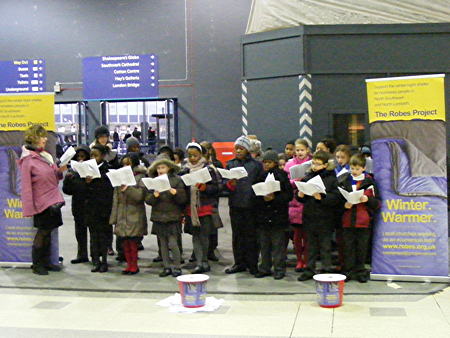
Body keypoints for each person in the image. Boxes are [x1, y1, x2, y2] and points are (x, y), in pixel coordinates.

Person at [19, 125, 67, 275]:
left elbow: (54, 177)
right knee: (42, 233)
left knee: (49, 232)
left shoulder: (46, 156)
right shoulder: (27, 160)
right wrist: (29, 208)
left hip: (53, 201)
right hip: (41, 203)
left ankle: (47, 262)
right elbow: (26, 187)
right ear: (34, 138)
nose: (45, 139)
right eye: (42, 136)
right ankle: (37, 264)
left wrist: (60, 172)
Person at [296, 150, 341, 281]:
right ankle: (309, 269)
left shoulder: (332, 178)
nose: (314, 166)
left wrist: (321, 197)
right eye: (313, 163)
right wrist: (300, 195)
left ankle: (327, 270)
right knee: (310, 246)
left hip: (325, 218)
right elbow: (301, 194)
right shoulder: (308, 176)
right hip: (310, 216)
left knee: (325, 246)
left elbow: (336, 198)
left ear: (326, 165)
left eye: (318, 164)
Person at [224, 136, 264, 275]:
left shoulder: (256, 165)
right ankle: (239, 263)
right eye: (236, 149)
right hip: (235, 205)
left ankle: (252, 264)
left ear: (247, 150)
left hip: (251, 206)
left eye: (241, 149)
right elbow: (224, 185)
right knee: (237, 235)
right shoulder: (230, 164)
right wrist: (230, 184)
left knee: (251, 236)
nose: (238, 151)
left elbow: (260, 183)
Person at [338, 153, 379, 283]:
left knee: (362, 248)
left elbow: (377, 203)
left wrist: (367, 199)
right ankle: (348, 271)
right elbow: (338, 201)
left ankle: (360, 271)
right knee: (348, 247)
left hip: (363, 221)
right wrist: (344, 205)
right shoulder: (344, 180)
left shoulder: (369, 182)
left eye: (357, 169)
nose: (354, 171)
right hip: (347, 220)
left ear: (363, 168)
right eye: (352, 168)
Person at [180, 142, 219, 273]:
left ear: (201, 155)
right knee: (195, 236)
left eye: (195, 155)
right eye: (190, 155)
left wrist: (205, 188)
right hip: (191, 209)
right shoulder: (184, 169)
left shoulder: (209, 169)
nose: (192, 158)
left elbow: (217, 188)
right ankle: (198, 261)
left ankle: (205, 261)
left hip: (205, 207)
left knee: (204, 236)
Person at [145, 156, 187, 277]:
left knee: (173, 243)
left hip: (173, 216)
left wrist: (176, 193)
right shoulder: (153, 181)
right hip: (159, 216)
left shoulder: (177, 180)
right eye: (158, 168)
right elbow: (148, 200)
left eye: (162, 167)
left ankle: (177, 267)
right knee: (162, 244)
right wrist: (154, 196)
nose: (160, 170)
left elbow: (183, 199)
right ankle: (166, 266)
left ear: (169, 168)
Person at [254, 150, 293, 280]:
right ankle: (264, 267)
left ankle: (279, 268)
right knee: (264, 245)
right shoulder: (260, 175)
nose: (266, 165)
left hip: (278, 216)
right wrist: (262, 197)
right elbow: (255, 193)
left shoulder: (282, 176)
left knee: (278, 245)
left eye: (269, 162)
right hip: (263, 216)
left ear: (275, 163)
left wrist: (274, 198)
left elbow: (288, 196)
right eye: (264, 162)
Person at [110, 153, 147, 275]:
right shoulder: (120, 177)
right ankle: (128, 265)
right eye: (124, 164)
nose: (126, 166)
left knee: (133, 241)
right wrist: (114, 217)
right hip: (121, 214)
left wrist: (128, 189)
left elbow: (140, 196)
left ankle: (134, 265)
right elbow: (116, 198)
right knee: (124, 241)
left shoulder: (140, 177)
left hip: (134, 213)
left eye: (128, 164)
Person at [284, 138, 312, 272]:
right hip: (294, 203)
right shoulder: (290, 165)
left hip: (307, 203)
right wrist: (294, 182)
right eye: (298, 150)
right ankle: (299, 260)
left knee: (307, 236)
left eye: (302, 150)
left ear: (307, 150)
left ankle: (307, 260)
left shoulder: (311, 164)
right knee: (296, 235)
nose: (300, 152)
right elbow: (285, 181)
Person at [85, 145, 114, 273]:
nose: (93, 158)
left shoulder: (107, 169)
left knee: (103, 235)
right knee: (93, 235)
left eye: (96, 155)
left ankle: (104, 261)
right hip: (90, 207)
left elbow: (109, 188)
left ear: (102, 156)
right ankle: (95, 260)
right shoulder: (87, 169)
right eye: (91, 155)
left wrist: (97, 179)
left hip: (103, 208)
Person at [91, 125, 119, 256]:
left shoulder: (112, 152)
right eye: (101, 137)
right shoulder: (92, 151)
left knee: (108, 220)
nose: (103, 139)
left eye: (105, 137)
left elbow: (117, 168)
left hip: (108, 189)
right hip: (93, 190)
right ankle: (96, 249)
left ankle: (109, 245)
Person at [62, 145, 91, 264]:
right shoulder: (72, 171)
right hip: (78, 205)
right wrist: (68, 180)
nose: (80, 159)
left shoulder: (92, 169)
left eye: (83, 156)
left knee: (95, 232)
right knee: (80, 231)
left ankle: (96, 256)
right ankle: (82, 254)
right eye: (78, 156)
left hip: (91, 205)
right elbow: (67, 191)